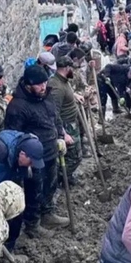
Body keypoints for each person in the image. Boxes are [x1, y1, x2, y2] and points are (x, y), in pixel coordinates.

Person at [4, 65, 73, 244]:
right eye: (39, 84)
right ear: (28, 85)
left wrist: (60, 135)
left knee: (50, 185)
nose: (43, 87)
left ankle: (47, 213)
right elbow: (13, 136)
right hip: (33, 157)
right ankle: (33, 224)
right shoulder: (17, 107)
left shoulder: (46, 96)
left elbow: (54, 117)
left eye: (44, 83)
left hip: (52, 150)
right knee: (34, 189)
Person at [47, 56, 85, 186]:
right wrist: (63, 134)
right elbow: (54, 113)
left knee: (73, 155)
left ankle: (66, 176)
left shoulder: (63, 80)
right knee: (74, 157)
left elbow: (66, 90)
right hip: (66, 126)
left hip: (72, 123)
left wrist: (74, 95)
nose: (74, 72)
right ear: (67, 68)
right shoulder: (56, 88)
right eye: (72, 69)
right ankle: (60, 178)